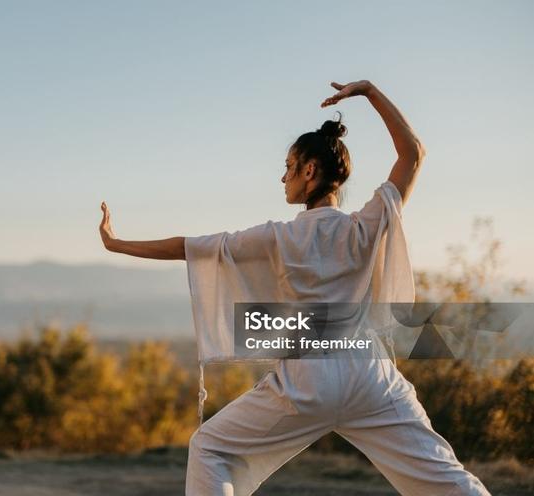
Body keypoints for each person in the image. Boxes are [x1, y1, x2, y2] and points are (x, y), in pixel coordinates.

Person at [99, 80, 490, 496]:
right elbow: (413, 153)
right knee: (447, 481)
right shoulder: (365, 225)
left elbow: (190, 248)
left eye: (289, 166)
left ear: (309, 170)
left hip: (307, 382)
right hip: (369, 376)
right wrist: (370, 92)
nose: (282, 176)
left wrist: (117, 243)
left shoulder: (277, 237)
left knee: (210, 448)